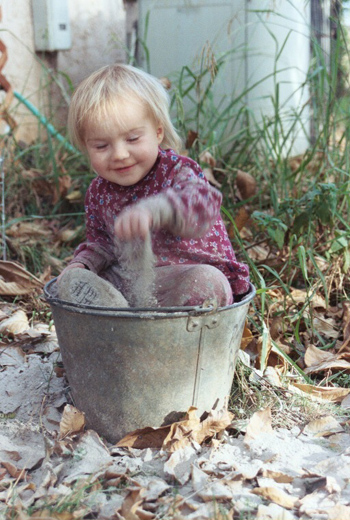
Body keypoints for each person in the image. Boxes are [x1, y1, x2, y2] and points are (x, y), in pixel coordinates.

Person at [57, 63, 250, 308]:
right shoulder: (98, 192)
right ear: (86, 147)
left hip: (183, 279)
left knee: (209, 282)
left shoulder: (176, 171)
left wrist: (156, 210)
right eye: (101, 146)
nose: (119, 154)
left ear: (158, 132)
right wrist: (83, 265)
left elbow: (201, 206)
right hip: (130, 288)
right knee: (77, 280)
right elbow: (102, 244)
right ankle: (115, 314)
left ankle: (145, 327)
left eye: (132, 139)